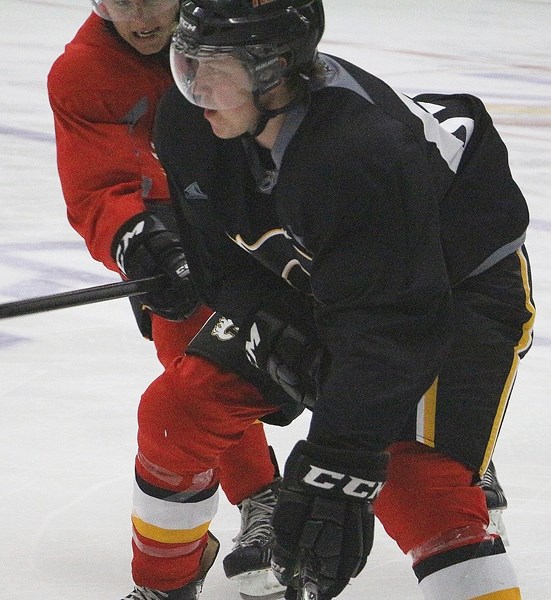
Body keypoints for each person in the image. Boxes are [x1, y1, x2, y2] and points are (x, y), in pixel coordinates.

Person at [147, 0, 536, 598]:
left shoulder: (356, 155)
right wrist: (198, 277)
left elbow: (393, 328)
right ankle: (163, 586)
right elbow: (227, 265)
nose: (194, 87)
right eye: (185, 61)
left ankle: (462, 468)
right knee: (181, 409)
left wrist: (339, 464)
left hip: (456, 289)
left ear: (274, 70)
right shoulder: (190, 120)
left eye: (214, 66)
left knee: (415, 484)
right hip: (335, 278)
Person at [47, 1, 302, 599]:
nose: (136, 17)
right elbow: (98, 186)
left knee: (361, 328)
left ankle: (442, 442)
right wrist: (138, 236)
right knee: (192, 358)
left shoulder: (249, 32)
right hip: (187, 223)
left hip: (286, 212)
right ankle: (261, 495)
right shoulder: (83, 73)